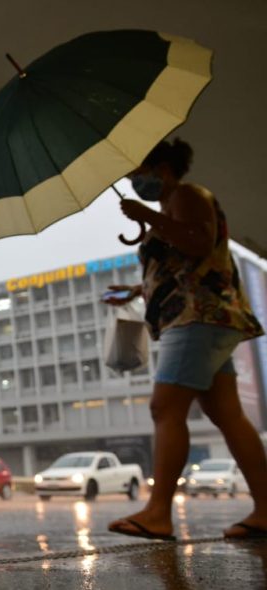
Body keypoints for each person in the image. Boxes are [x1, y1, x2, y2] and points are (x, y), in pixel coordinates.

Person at [107, 138, 267, 541]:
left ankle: (158, 513)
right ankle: (266, 510)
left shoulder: (187, 195)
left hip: (198, 317)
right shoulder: (171, 207)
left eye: (137, 173)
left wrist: (146, 215)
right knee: (227, 414)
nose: (134, 182)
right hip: (203, 317)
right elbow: (182, 267)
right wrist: (136, 290)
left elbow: (199, 242)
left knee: (165, 407)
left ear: (161, 169)